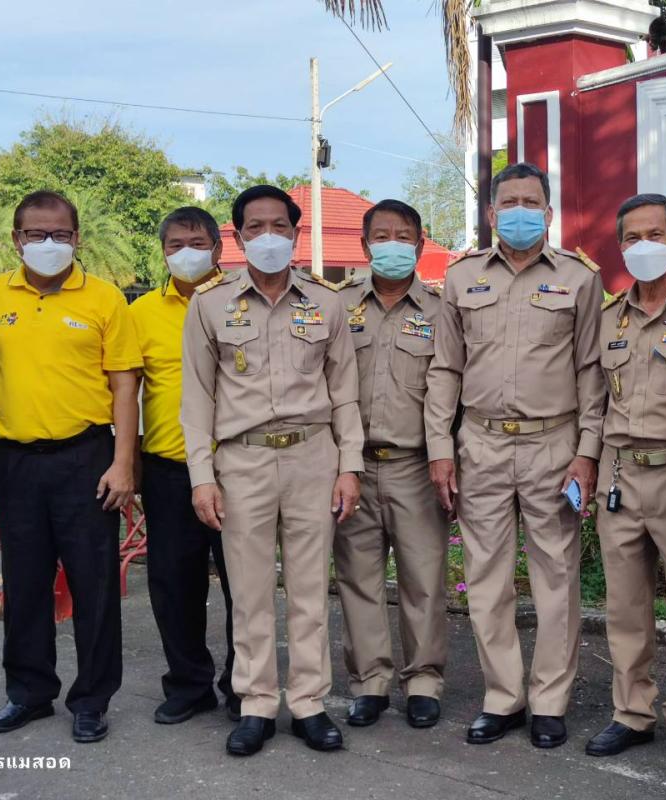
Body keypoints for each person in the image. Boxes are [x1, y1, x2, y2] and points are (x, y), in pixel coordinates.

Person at [425, 162, 605, 749]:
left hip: (554, 444)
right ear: (491, 212)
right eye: (510, 202)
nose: (520, 211)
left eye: (532, 202)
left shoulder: (579, 278)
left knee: (557, 578)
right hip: (480, 443)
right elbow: (445, 368)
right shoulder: (462, 277)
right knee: (486, 578)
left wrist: (587, 452)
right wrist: (440, 448)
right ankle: (502, 697)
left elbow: (591, 371)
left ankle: (550, 701)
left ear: (549, 214)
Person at [180, 184, 364, 757]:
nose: (268, 236)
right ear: (237, 238)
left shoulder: (326, 302)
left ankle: (308, 703)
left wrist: (349, 466)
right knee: (250, 591)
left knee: (310, 590)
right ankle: (256, 703)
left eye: (279, 226)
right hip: (243, 461)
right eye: (255, 227)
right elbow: (196, 399)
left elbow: (345, 393)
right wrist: (202, 476)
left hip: (313, 457)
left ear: (296, 233)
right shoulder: (209, 304)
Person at [0, 190, 143, 744]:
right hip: (16, 461)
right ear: (16, 239)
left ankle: (92, 699)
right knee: (24, 582)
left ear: (77, 238)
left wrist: (123, 463)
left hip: (86, 459)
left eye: (61, 235)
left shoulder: (104, 298)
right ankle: (28, 693)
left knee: (94, 584)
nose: (49, 244)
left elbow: (124, 385)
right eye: (36, 234)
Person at [584, 194, 666, 766]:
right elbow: (595, 402)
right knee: (625, 605)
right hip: (619, 475)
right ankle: (631, 711)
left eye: (655, 235)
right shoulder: (610, 317)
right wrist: (587, 462)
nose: (644, 247)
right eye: (632, 238)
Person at [333, 199, 450, 729]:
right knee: (358, 579)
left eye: (403, 237)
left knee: (423, 579)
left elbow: (453, 390)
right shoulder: (337, 307)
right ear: (364, 246)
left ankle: (423, 680)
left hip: (416, 465)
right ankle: (370, 682)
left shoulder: (442, 311)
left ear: (420, 246)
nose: (392, 245)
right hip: (353, 465)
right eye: (381, 236)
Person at [129, 207, 239, 725]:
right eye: (175, 245)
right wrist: (128, 463)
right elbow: (127, 393)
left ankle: (244, 683)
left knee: (243, 583)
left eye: (197, 243)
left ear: (218, 249)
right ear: (163, 251)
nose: (186, 253)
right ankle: (189, 684)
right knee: (174, 584)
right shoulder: (142, 313)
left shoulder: (240, 300)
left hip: (236, 467)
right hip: (169, 468)